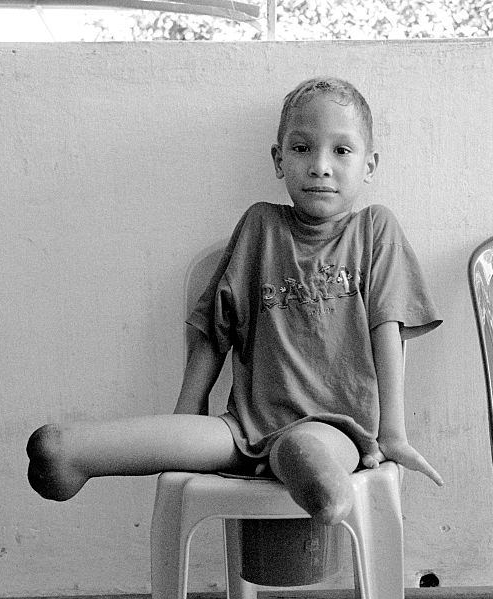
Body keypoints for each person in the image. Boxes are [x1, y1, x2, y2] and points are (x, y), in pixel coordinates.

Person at [27, 77, 443, 527]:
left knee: (306, 448)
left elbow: (389, 326)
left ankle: (318, 481)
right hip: (244, 427)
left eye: (341, 151)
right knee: (65, 447)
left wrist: (393, 434)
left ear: (369, 164)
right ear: (278, 159)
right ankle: (70, 452)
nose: (320, 166)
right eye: (302, 148)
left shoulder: (374, 230)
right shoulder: (260, 226)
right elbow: (215, 327)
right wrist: (187, 413)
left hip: (335, 428)